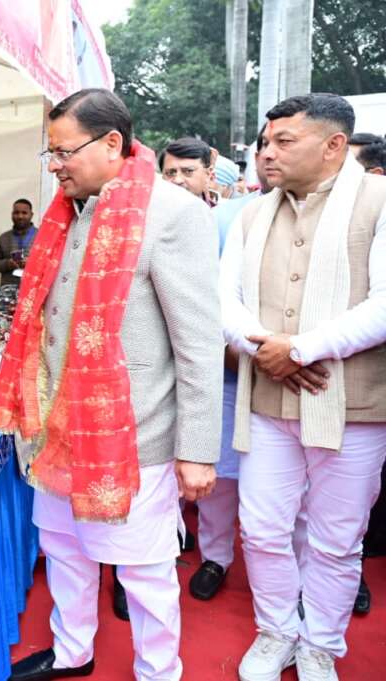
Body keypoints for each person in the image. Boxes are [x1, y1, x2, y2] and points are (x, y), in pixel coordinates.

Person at [0, 89, 222, 681]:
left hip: (133, 434)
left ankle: (158, 670)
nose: (54, 165)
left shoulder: (172, 213)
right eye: (51, 153)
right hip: (59, 429)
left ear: (112, 143)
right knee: (63, 549)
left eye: (63, 151)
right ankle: (73, 651)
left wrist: (198, 450)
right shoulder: (65, 213)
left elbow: (198, 342)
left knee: (143, 569)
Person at [221, 93, 386, 681]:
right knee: (262, 531)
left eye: (283, 141)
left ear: (334, 145)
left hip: (353, 406)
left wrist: (301, 349)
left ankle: (320, 645)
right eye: (266, 142)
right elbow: (224, 300)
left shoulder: (379, 201)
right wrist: (264, 347)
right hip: (266, 399)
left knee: (336, 540)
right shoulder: (252, 213)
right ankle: (276, 632)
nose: (267, 152)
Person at [0, 199, 37, 286]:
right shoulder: (4, 238)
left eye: (24, 213)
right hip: (9, 289)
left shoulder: (41, 237)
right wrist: (7, 264)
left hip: (34, 288)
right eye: (16, 212)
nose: (20, 216)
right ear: (12, 214)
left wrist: (32, 264)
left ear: (31, 215)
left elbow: (50, 263)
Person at [159, 137, 216, 205]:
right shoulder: (151, 210)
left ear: (209, 176)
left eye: (188, 171)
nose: (178, 180)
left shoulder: (221, 211)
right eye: (170, 173)